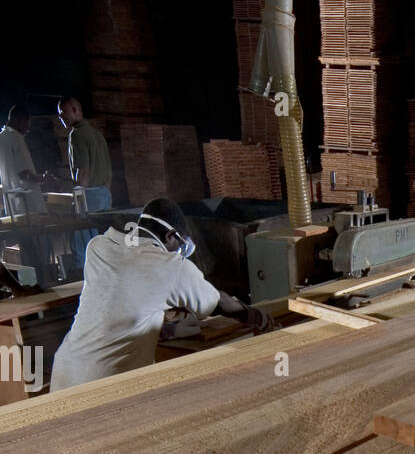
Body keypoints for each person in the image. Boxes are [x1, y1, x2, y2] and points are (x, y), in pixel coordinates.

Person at [50, 197, 272, 391]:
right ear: (170, 236)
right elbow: (220, 302)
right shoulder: (171, 266)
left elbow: (115, 306)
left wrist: (167, 330)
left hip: (65, 373)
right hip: (105, 382)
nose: (178, 252)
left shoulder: (99, 246)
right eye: (179, 245)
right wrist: (257, 317)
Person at [57, 95, 114, 267]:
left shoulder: (77, 135)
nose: (61, 117)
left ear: (75, 110)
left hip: (88, 196)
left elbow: (83, 171)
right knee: (104, 242)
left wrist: (77, 201)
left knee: (83, 243)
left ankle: (82, 283)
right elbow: (108, 169)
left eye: (63, 112)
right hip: (104, 193)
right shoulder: (97, 135)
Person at [0, 106, 47, 213]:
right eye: (27, 122)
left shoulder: (1, 138)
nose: (28, 128)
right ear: (20, 119)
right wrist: (45, 179)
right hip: (29, 204)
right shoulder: (15, 138)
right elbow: (24, 174)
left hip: (13, 205)